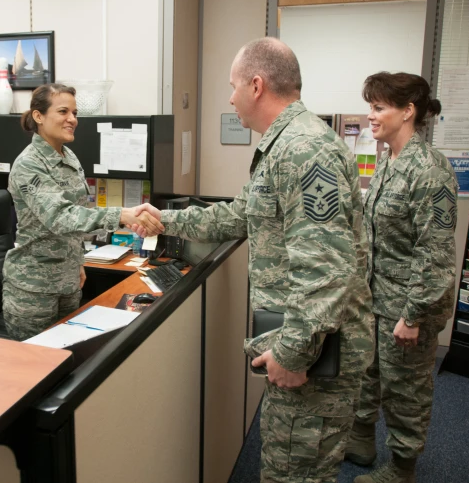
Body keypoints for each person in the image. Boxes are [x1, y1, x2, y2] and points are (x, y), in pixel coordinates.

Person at [133, 38, 375, 483]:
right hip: (308, 343)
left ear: (257, 85)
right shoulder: (282, 146)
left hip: (314, 353)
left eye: (233, 85)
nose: (230, 97)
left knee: (293, 475)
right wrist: (163, 220)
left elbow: (326, 271)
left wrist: (293, 354)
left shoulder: (303, 150)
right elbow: (238, 215)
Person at [346, 73, 457, 483]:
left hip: (408, 306)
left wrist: (413, 317)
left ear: (408, 111)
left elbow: (435, 254)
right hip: (377, 297)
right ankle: (360, 441)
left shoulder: (429, 171)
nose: (370, 115)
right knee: (368, 374)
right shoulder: (389, 160)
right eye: (370, 106)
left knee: (405, 390)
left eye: (379, 107)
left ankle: (401, 468)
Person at [3, 83, 163, 341]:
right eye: (64, 111)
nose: (72, 119)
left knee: (70, 359)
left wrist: (77, 261)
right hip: (34, 288)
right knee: (38, 366)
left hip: (68, 281)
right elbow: (61, 217)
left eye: (75, 113)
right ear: (38, 116)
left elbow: (80, 212)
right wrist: (121, 215)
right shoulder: (29, 164)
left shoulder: (69, 156)